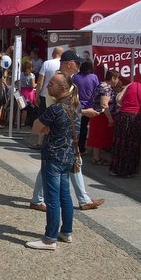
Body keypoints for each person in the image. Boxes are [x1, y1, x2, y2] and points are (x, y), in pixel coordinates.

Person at [29, 50, 105, 212]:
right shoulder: (58, 81)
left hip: (66, 129)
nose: (79, 66)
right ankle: (44, 200)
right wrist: (84, 112)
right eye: (77, 63)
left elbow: (67, 108)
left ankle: (41, 198)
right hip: (60, 130)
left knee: (69, 162)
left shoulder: (69, 81)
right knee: (61, 163)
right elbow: (57, 108)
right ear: (69, 64)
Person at [27, 73, 80, 250]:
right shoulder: (75, 105)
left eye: (52, 84)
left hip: (53, 157)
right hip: (68, 156)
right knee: (65, 196)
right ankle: (66, 231)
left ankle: (50, 238)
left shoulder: (56, 108)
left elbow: (35, 127)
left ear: (63, 88)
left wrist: (46, 128)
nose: (48, 86)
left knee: (52, 199)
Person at [110, 77, 141, 177]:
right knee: (132, 145)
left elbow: (118, 98)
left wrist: (126, 105)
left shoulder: (132, 84)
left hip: (122, 115)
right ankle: (128, 171)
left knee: (119, 142)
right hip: (136, 118)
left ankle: (115, 169)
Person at [87, 69, 120, 165]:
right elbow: (104, 105)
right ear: (113, 78)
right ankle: (96, 158)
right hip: (102, 117)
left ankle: (96, 157)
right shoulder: (106, 88)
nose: (117, 81)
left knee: (97, 136)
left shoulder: (101, 85)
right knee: (99, 137)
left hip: (98, 115)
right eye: (117, 78)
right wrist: (110, 119)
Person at [71, 61, 99, 153]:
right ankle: (81, 149)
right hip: (89, 106)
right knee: (83, 128)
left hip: (76, 104)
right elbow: (97, 91)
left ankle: (72, 147)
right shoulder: (94, 77)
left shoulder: (75, 77)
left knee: (75, 127)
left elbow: (71, 90)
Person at [19, 60, 37, 127]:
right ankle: (27, 122)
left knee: (22, 109)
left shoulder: (20, 74)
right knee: (29, 109)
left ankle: (20, 122)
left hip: (22, 92)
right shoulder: (32, 75)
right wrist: (37, 84)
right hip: (29, 93)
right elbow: (32, 85)